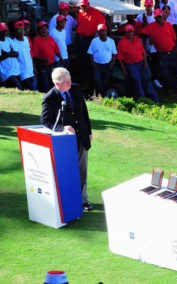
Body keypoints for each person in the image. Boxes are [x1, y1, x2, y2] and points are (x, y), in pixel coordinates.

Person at [41, 67, 93, 211]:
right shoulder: (50, 98)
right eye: (66, 82)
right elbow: (45, 121)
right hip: (65, 142)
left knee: (82, 170)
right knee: (68, 171)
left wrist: (88, 131)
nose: (70, 83)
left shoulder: (76, 89)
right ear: (57, 84)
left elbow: (84, 111)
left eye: (70, 80)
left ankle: (84, 200)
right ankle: (69, 200)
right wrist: (62, 128)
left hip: (82, 137)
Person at [117, 24, 159, 102]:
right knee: (137, 82)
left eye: (131, 32)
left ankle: (154, 99)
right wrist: (124, 70)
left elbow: (143, 52)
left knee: (147, 79)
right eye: (128, 32)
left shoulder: (137, 39)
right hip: (131, 66)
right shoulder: (122, 42)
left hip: (141, 63)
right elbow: (120, 58)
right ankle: (141, 101)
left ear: (133, 32)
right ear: (125, 33)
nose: (129, 34)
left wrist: (145, 63)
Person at [141, 8, 177, 93]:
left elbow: (174, 38)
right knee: (164, 71)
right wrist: (149, 36)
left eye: (160, 17)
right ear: (155, 18)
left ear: (163, 16)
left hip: (172, 51)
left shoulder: (169, 24)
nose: (159, 18)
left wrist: (176, 47)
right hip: (161, 53)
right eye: (157, 17)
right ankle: (170, 87)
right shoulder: (151, 26)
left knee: (173, 69)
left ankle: (176, 85)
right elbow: (142, 32)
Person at [74, 0, 105, 86]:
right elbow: (79, 22)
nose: (83, 7)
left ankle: (87, 83)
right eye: (82, 6)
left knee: (87, 61)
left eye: (84, 6)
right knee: (78, 60)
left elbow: (102, 26)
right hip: (79, 38)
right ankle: (80, 81)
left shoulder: (96, 12)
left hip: (89, 39)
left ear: (89, 4)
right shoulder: (80, 11)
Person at [32, 21, 63, 92]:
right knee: (45, 85)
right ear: (38, 30)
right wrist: (42, 60)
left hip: (52, 65)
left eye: (46, 28)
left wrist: (61, 57)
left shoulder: (50, 38)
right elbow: (34, 56)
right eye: (42, 28)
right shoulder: (36, 40)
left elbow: (56, 49)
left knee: (53, 83)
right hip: (42, 66)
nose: (44, 30)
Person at [87, 24, 117, 98]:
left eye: (103, 31)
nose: (102, 33)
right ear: (98, 32)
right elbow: (90, 53)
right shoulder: (94, 41)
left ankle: (103, 96)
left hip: (107, 65)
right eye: (100, 31)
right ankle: (102, 95)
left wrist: (112, 62)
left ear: (106, 31)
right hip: (97, 65)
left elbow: (114, 53)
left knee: (106, 81)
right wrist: (93, 63)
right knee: (97, 81)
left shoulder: (111, 41)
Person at [12, 21, 37, 91]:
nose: (21, 31)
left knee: (35, 90)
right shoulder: (13, 42)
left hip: (31, 71)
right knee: (31, 91)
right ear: (15, 31)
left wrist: (33, 66)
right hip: (23, 74)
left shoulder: (26, 39)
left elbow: (29, 53)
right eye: (19, 30)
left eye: (22, 29)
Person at [0, 22, 22, 89]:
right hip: (7, 73)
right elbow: (0, 58)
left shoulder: (9, 40)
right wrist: (11, 53)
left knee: (16, 92)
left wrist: (6, 54)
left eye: (5, 31)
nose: (4, 33)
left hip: (16, 70)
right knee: (20, 89)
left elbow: (16, 54)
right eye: (2, 31)